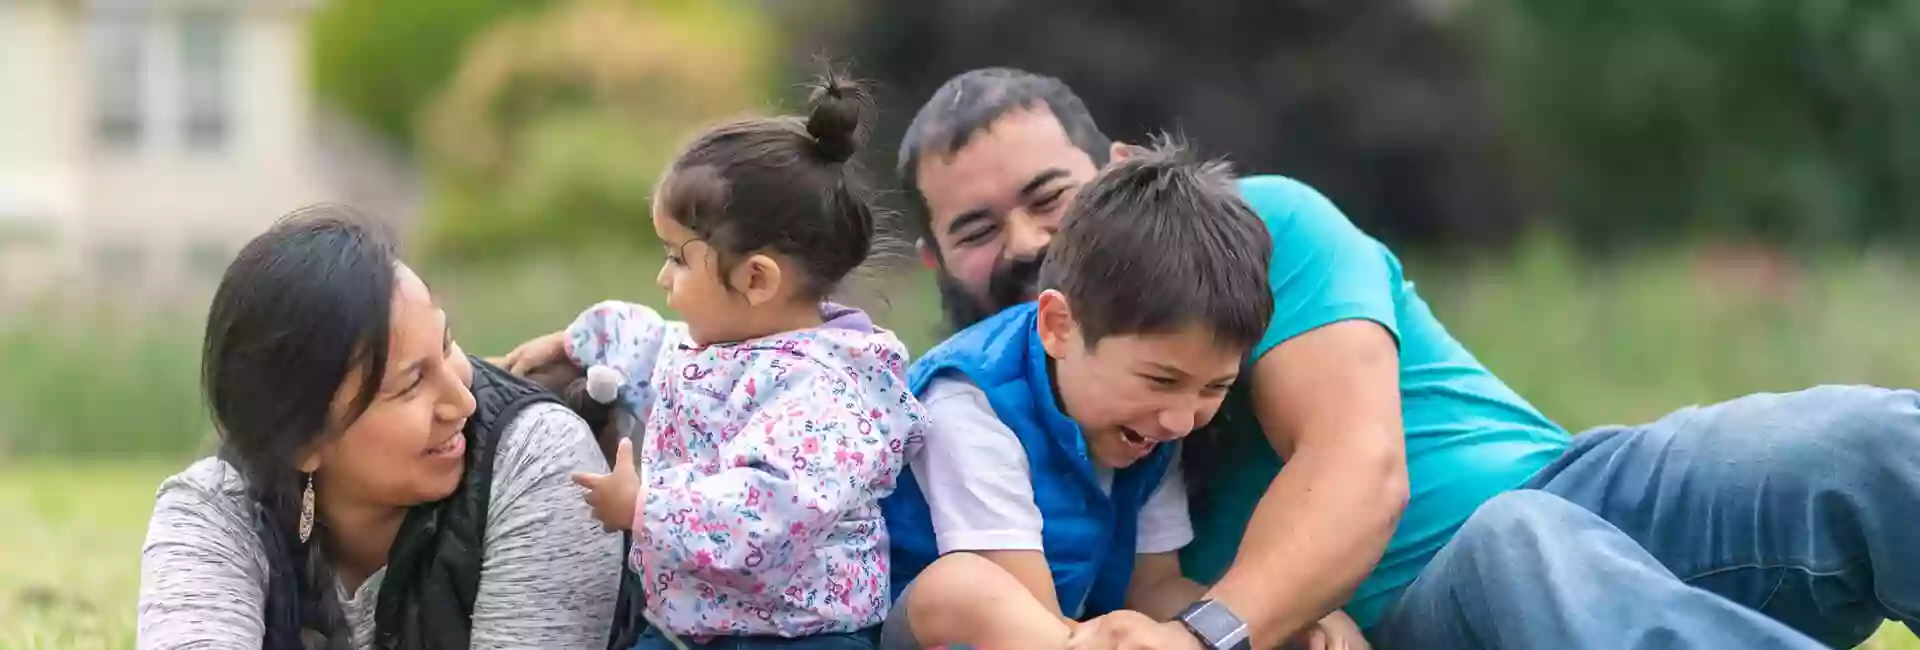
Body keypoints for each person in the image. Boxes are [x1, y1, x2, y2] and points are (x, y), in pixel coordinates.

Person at [892, 67, 1920, 649]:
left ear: (1118, 170)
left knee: (1866, 440)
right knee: (1515, 545)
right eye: (978, 227)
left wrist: (1206, 633)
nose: (1024, 243)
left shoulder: (1261, 226)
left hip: (1587, 491)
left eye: (1048, 195)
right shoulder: (982, 416)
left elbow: (1358, 464)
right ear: (936, 256)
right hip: (1433, 608)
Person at [875, 138, 1368, 650]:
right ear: (1059, 326)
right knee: (970, 589)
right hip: (938, 634)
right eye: (1161, 380)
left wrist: (1273, 627)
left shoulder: (1149, 421)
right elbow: (1023, 616)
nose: (1181, 419)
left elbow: (1153, 585)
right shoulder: (973, 401)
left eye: (1215, 387)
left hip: (1067, 634)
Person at [500, 73, 929, 650]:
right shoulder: (728, 347)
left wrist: (643, 505)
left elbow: (766, 514)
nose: (662, 277)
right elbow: (653, 346)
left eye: (678, 259)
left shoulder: (823, 394)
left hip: (796, 634)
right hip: (695, 624)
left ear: (755, 278)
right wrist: (575, 341)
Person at [136, 206, 623, 650]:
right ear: (302, 442)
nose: (462, 400)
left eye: (447, 344)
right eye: (411, 384)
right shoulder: (216, 511)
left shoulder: (539, 463)